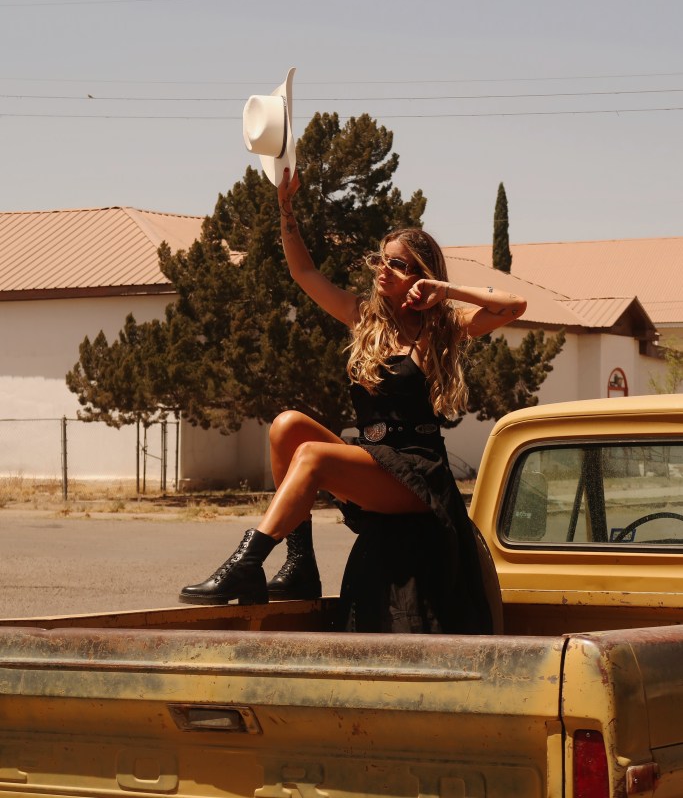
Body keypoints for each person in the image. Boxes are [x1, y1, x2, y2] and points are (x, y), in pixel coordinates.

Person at [179, 168, 527, 633]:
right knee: (287, 426)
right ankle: (300, 564)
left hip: (417, 475)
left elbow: (513, 305)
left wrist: (443, 292)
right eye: (382, 259)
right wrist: (285, 208)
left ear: (420, 275)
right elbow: (304, 272)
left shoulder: (439, 329)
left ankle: (247, 560)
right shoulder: (364, 319)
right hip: (373, 458)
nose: (383, 268)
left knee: (313, 456)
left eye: (398, 264)